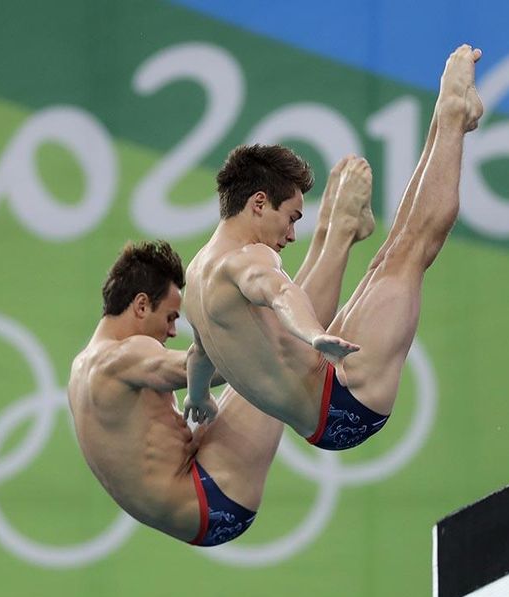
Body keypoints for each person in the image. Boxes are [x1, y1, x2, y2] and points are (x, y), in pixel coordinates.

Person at [183, 45, 484, 451]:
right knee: (412, 249)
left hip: (323, 420)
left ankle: (446, 115)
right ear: (258, 203)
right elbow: (280, 291)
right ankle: (451, 113)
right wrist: (313, 334)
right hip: (347, 396)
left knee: (389, 258)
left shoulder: (196, 277)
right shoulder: (247, 259)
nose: (291, 235)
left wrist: (198, 396)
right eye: (291, 217)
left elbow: (199, 356)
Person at [67, 157, 375, 546]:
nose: (172, 330)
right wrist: (225, 327)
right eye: (170, 317)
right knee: (277, 347)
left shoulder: (83, 367)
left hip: (195, 505)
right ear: (141, 305)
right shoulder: (124, 356)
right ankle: (340, 230)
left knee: (271, 332)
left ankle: (331, 232)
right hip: (212, 499)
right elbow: (207, 363)